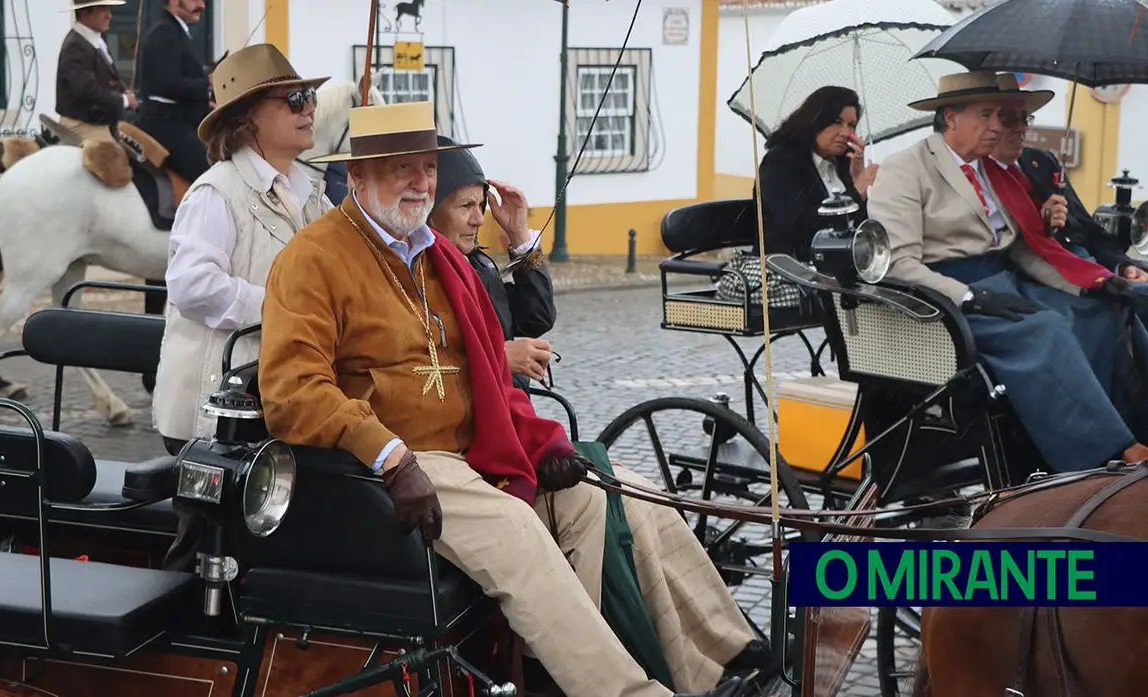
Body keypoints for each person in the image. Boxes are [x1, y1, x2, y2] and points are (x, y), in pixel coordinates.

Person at [258, 100, 768, 697]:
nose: (422, 183)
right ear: (361, 175)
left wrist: (539, 440)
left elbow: (490, 374)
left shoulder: (435, 254)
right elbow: (293, 392)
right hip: (392, 465)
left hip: (471, 453)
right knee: (517, 532)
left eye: (427, 168)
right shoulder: (313, 258)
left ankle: (725, 657)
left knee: (615, 495)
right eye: (403, 169)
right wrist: (389, 455)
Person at [868, 70, 1148, 472]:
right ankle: (1106, 450)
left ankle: (1129, 425)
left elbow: (1020, 249)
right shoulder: (906, 168)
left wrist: (1086, 286)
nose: (997, 126)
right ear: (951, 117)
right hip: (948, 297)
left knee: (1099, 315)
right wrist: (970, 296)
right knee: (1045, 330)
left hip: (1006, 282)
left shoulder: (992, 171)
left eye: (1000, 117)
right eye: (987, 115)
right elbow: (898, 263)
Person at [152, 43, 331, 579]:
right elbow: (193, 286)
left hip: (277, 395)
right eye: (294, 99)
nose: (309, 108)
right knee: (204, 546)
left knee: (268, 543)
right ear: (249, 117)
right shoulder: (217, 192)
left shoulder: (313, 192)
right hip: (215, 411)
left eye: (310, 98)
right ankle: (181, 645)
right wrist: (285, 308)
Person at [988, 74, 1146, 281]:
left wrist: (1122, 265)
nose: (1021, 129)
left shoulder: (1041, 161)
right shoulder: (979, 174)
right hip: (1046, 278)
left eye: (1024, 118)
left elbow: (1087, 227)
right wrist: (1044, 224)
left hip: (1089, 263)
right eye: (1008, 119)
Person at [427, 136, 556, 390]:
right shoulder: (417, 273)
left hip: (511, 410)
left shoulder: (478, 265)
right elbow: (423, 360)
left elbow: (536, 317)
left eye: (481, 205)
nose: (479, 219)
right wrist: (501, 356)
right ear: (430, 211)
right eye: (466, 206)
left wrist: (518, 235)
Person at [756, 85, 878, 261]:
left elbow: (858, 230)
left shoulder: (842, 164)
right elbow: (800, 230)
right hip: (792, 272)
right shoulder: (781, 162)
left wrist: (857, 182)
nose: (846, 133)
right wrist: (855, 194)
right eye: (837, 122)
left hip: (843, 270)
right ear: (814, 120)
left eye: (851, 125)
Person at [134, 0, 211, 182]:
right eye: (195, 0)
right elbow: (168, 84)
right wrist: (207, 86)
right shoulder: (164, 32)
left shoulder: (175, 30)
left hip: (178, 120)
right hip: (167, 124)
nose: (202, 5)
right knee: (211, 175)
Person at [55, 0, 137, 144]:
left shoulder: (93, 40)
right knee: (115, 161)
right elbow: (86, 90)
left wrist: (125, 91)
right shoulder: (76, 45)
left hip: (99, 123)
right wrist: (123, 100)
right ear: (85, 12)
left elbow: (108, 77)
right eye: (103, 9)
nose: (109, 15)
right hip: (82, 124)